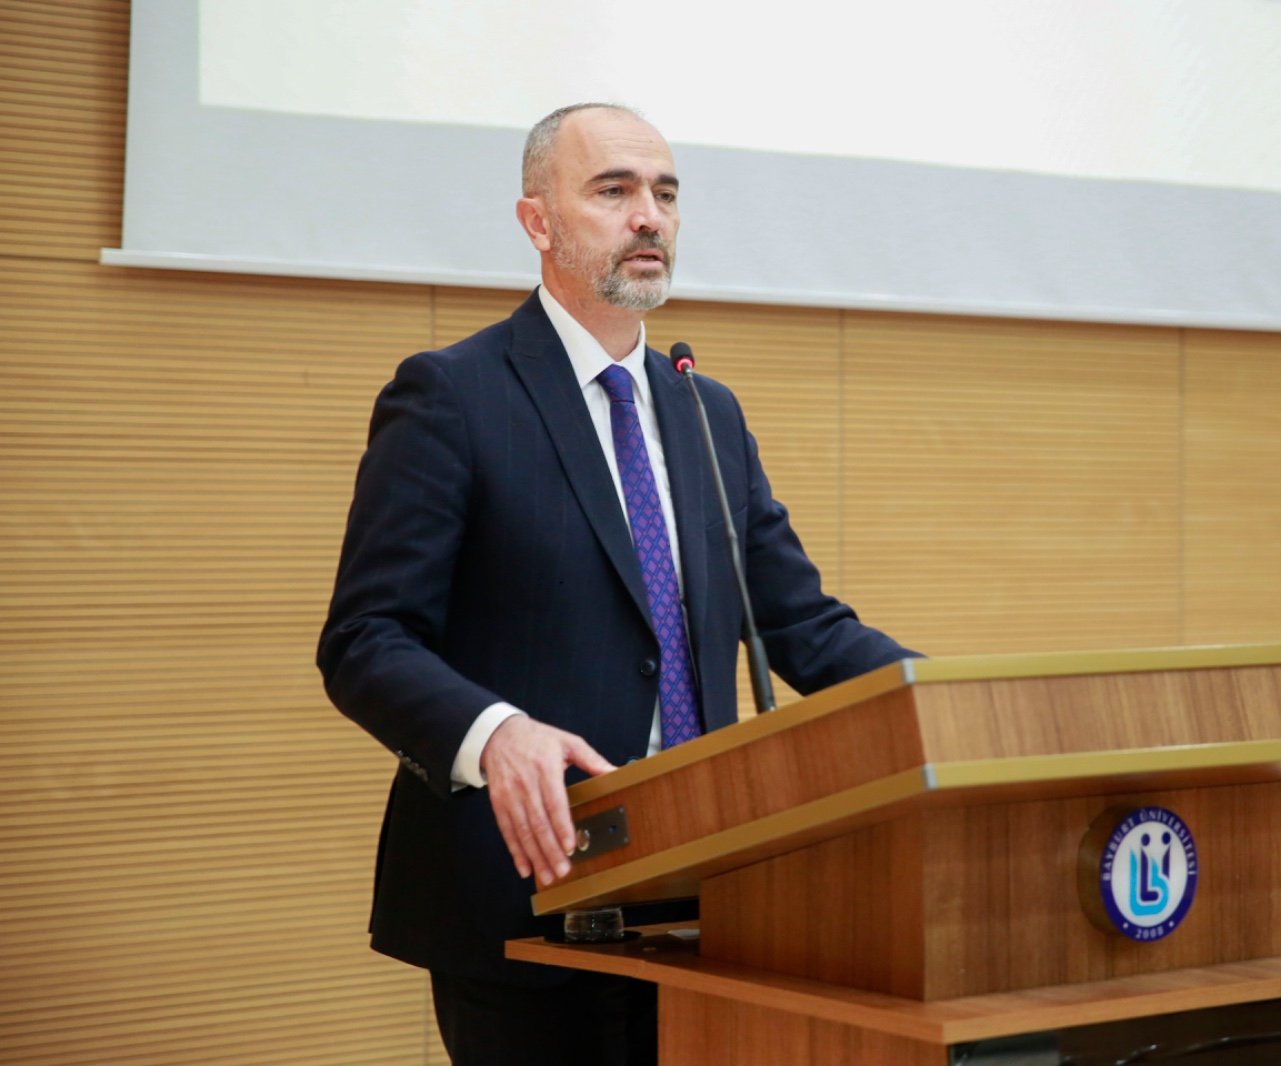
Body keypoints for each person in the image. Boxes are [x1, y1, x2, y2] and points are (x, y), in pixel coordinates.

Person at [317, 102, 914, 1065]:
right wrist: (493, 731)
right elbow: (365, 640)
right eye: (613, 190)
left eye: (665, 194)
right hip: (529, 901)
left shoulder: (706, 410)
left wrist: (942, 699)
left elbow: (802, 625)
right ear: (538, 221)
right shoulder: (453, 395)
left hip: (708, 896)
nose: (649, 216)